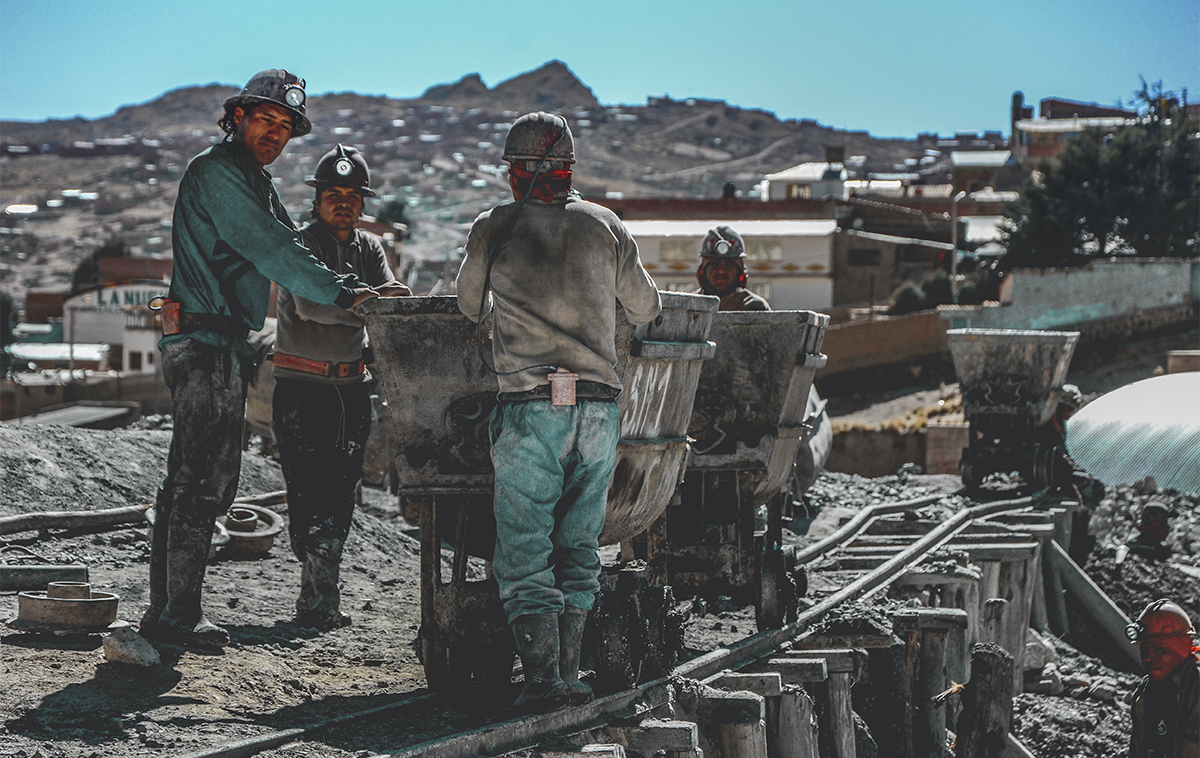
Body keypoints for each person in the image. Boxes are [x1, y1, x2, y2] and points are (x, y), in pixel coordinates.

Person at [141, 70, 378, 649]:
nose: (274, 133)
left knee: (198, 478)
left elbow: (290, 244)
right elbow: (273, 249)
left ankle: (169, 611)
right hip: (202, 340)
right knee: (200, 480)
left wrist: (340, 280)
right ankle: (176, 618)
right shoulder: (219, 172)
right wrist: (344, 292)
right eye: (264, 119)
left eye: (284, 126)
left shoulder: (253, 179)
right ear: (237, 116)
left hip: (220, 341)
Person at [456, 112, 661, 714]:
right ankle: (570, 676)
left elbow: (469, 305)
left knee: (524, 549)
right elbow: (645, 306)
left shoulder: (495, 226)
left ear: (515, 173)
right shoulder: (606, 226)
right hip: (597, 411)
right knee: (578, 545)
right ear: (570, 166)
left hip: (529, 410)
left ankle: (541, 678)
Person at [272, 144, 410, 632]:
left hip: (350, 390)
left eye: (353, 196)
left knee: (342, 492)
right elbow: (312, 307)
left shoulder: (369, 249)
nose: (344, 203)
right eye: (334, 194)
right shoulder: (299, 246)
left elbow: (389, 301)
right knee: (307, 492)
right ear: (318, 200)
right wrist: (362, 304)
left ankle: (318, 601)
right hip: (302, 389)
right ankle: (317, 594)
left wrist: (378, 303)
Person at [1127, 599, 1200, 757]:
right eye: (1145, 649)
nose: (1148, 658)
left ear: (1180, 649)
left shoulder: (1196, 694)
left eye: (1159, 650)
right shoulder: (1143, 694)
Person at [694, 225, 769, 311]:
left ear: (739, 271)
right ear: (703, 269)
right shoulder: (690, 305)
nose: (721, 270)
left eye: (729, 265)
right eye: (715, 264)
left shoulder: (754, 306)